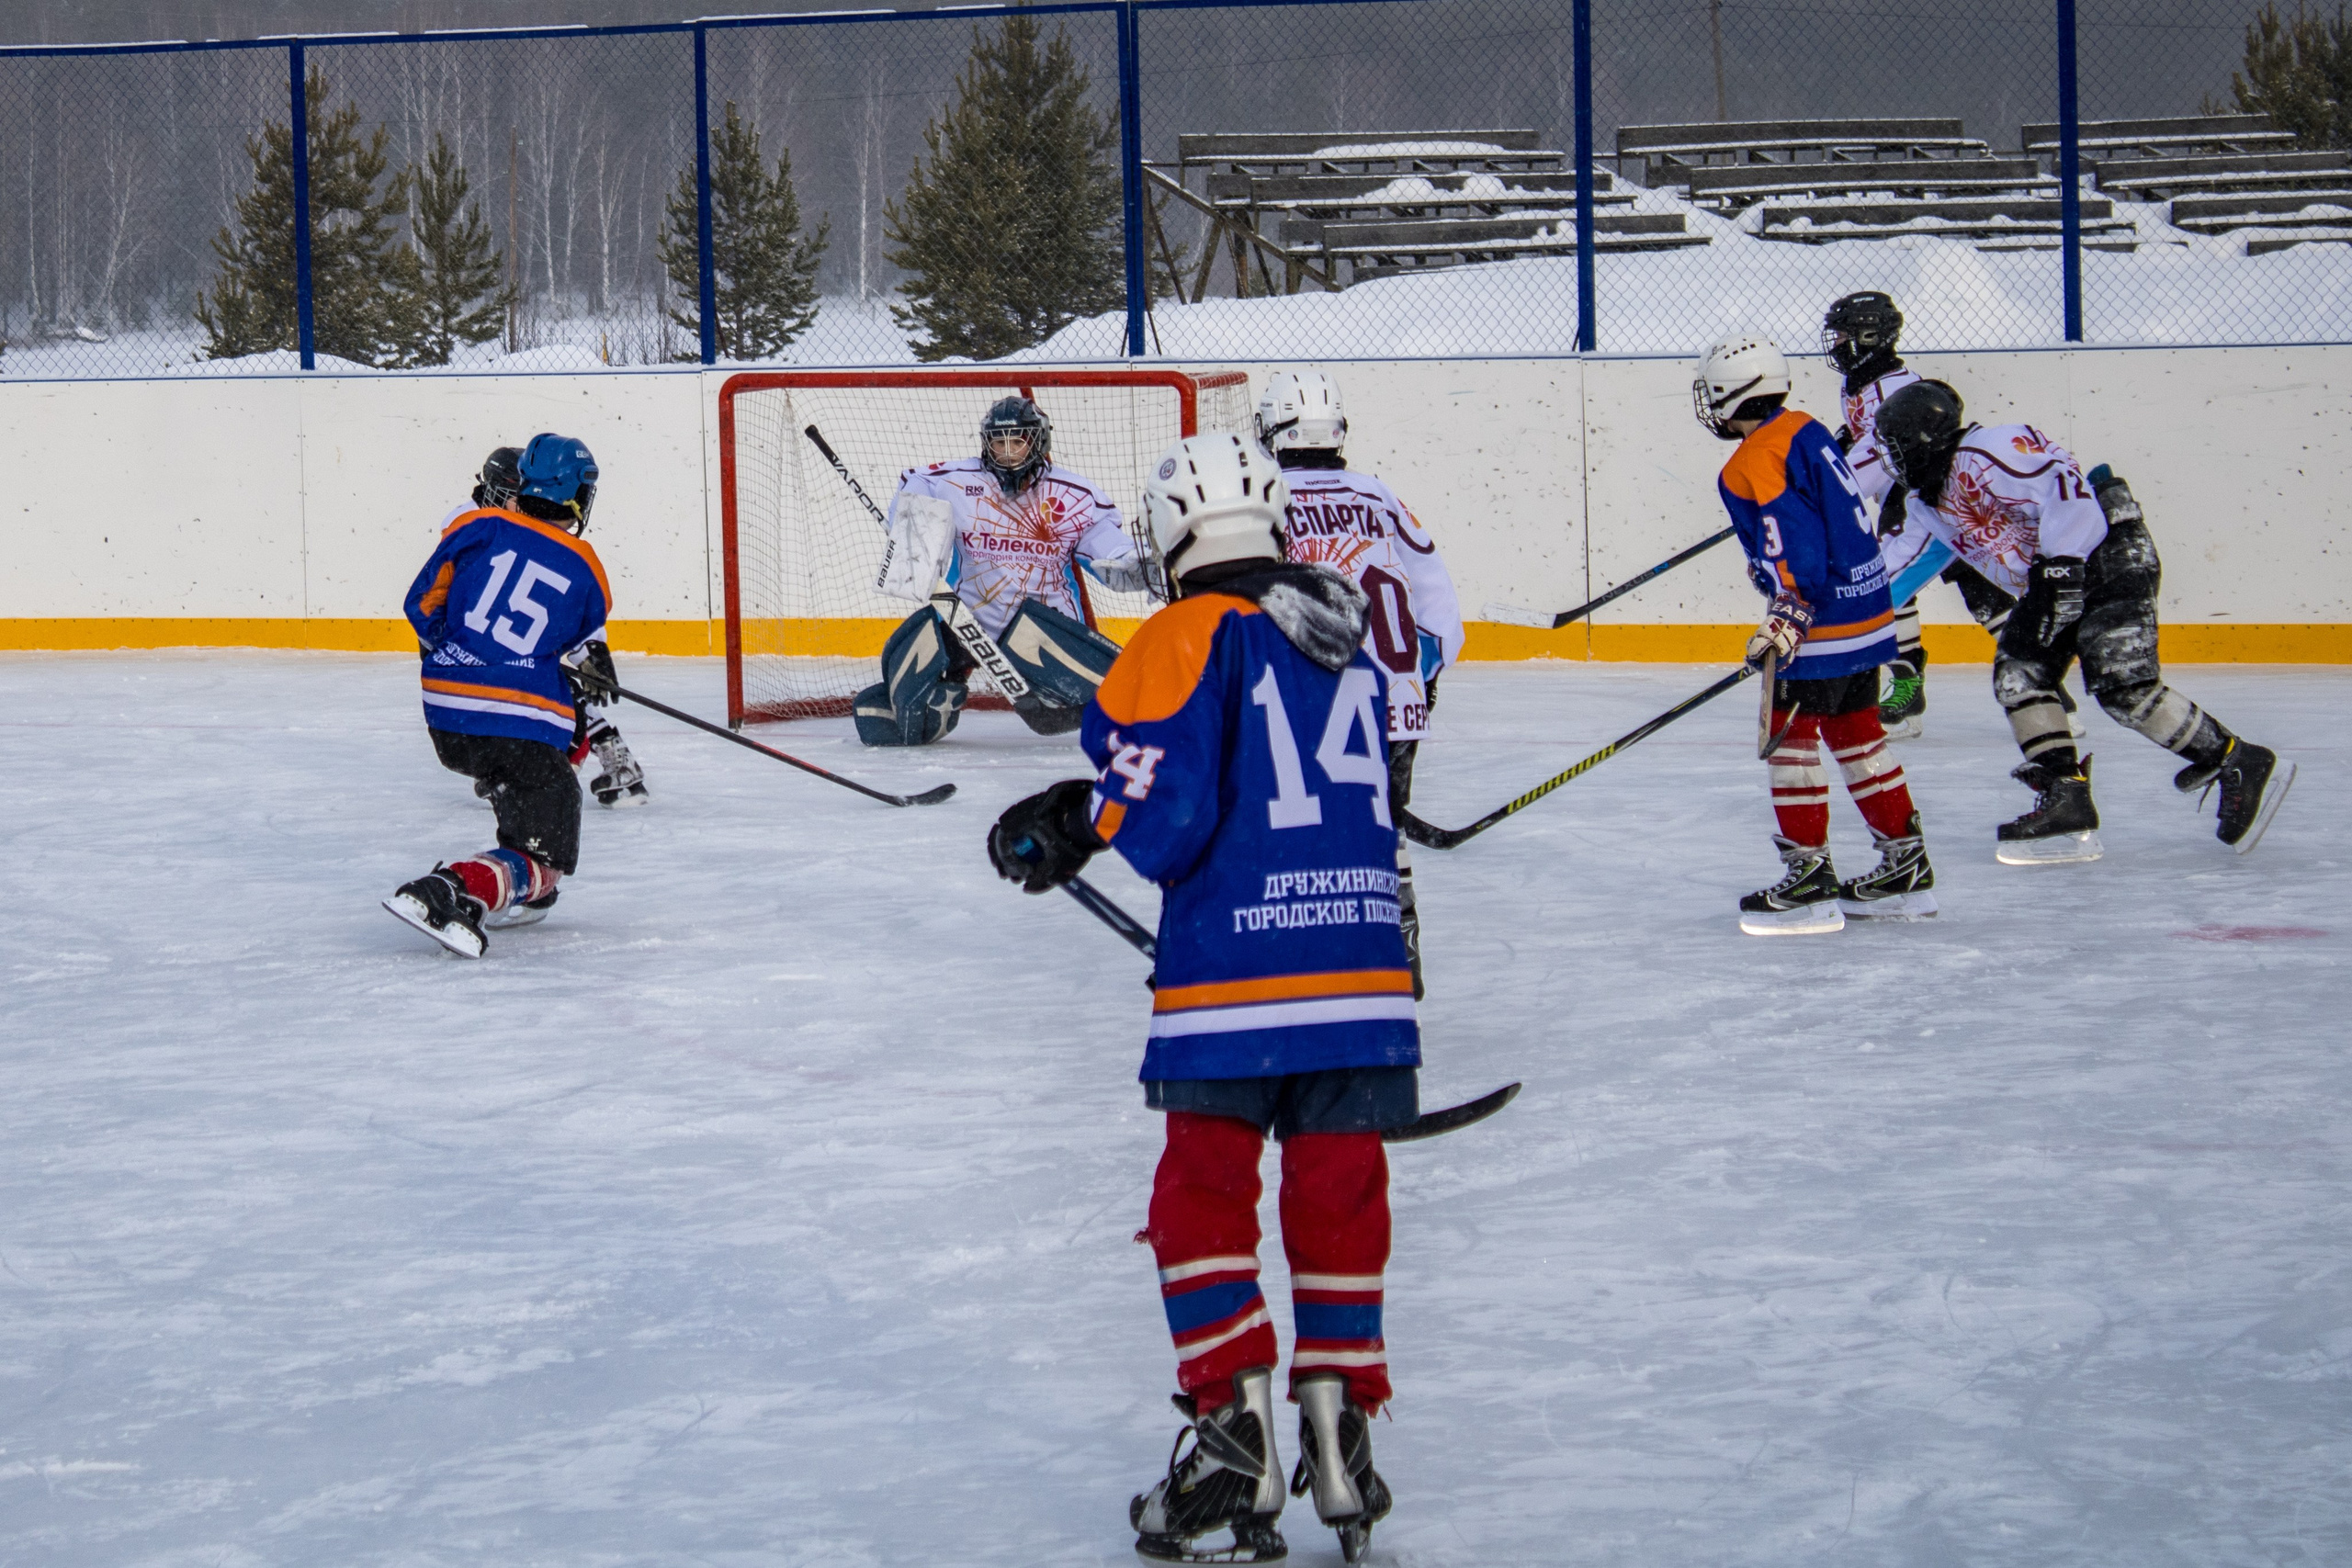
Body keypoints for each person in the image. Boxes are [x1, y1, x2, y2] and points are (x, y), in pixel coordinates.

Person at [987, 433, 1415, 1565]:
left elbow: (1165, 823)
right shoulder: (1343, 637)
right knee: (1338, 1194)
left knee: (1203, 1196)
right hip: (1367, 964)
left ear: (1172, 538)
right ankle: (1341, 1431)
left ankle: (1234, 1444)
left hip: (1237, 975)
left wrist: (1081, 818)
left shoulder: (1185, 629)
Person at [1874, 380, 2295, 858]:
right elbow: (1895, 567)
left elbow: (2063, 483)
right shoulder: (1925, 503)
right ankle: (2066, 795)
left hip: (2106, 553)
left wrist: (2060, 564)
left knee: (2122, 684)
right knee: (2018, 677)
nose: (1891, 460)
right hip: (2054, 577)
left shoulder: (1987, 449)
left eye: (1894, 446)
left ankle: (2236, 759)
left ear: (1922, 437)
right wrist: (1826, 623)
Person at [1694, 334, 1939, 934]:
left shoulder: (1750, 461)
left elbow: (1796, 542)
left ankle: (1808, 876)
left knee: (1789, 742)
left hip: (1819, 627)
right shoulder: (1806, 428)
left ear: (1731, 394)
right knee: (1859, 738)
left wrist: (1787, 612)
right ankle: (1905, 865)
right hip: (1866, 614)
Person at [1257, 368, 1464, 997]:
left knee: (1297, 827)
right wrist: (1421, 675)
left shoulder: (1264, 497)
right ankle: (1396, 958)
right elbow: (1437, 602)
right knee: (1383, 829)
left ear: (1272, 429)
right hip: (1396, 699)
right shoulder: (1379, 495)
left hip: (1309, 696)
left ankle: (1309, 970)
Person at [383, 434, 616, 957]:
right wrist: (592, 665)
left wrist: (463, 653)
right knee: (548, 857)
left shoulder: (474, 526)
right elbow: (572, 638)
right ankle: (453, 888)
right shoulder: (586, 566)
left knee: (536, 774)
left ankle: (512, 854)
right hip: (515, 722)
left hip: (446, 713)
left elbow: (421, 604)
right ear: (579, 496)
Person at [854, 396, 1148, 746]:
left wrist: (1136, 566)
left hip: (1045, 627)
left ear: (1038, 442)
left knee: (1117, 704)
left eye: (1018, 441)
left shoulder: (1075, 495)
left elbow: (1111, 549)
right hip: (965, 621)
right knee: (904, 720)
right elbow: (915, 480)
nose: (1007, 451)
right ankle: (945, 692)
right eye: (999, 441)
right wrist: (911, 522)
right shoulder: (955, 480)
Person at [461, 446, 647, 815]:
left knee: (553, 688)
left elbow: (568, 600)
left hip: (512, 639)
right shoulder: (473, 524)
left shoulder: (529, 530)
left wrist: (591, 653)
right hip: (475, 640)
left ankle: (591, 759)